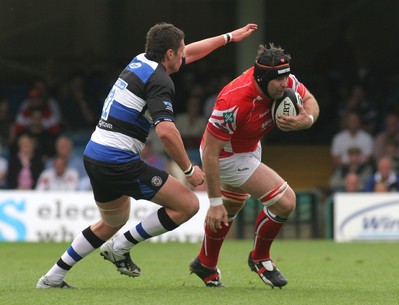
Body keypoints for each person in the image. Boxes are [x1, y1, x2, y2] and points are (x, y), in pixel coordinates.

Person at [36, 22, 257, 288]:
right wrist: (189, 170)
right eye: (180, 49)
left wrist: (229, 37)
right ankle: (120, 246)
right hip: (118, 160)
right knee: (188, 205)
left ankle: (53, 277)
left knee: (112, 220)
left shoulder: (140, 61)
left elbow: (190, 52)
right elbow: (166, 132)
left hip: (94, 154)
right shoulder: (160, 81)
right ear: (170, 55)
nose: (185, 53)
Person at [188, 43, 319, 288]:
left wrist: (307, 119)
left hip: (249, 146)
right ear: (264, 78)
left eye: (287, 78)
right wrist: (213, 202)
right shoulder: (234, 100)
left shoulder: (284, 80)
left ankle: (205, 263)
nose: (285, 84)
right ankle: (260, 258)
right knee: (285, 201)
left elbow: (310, 99)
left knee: (232, 206)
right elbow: (210, 151)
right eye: (279, 80)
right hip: (225, 156)